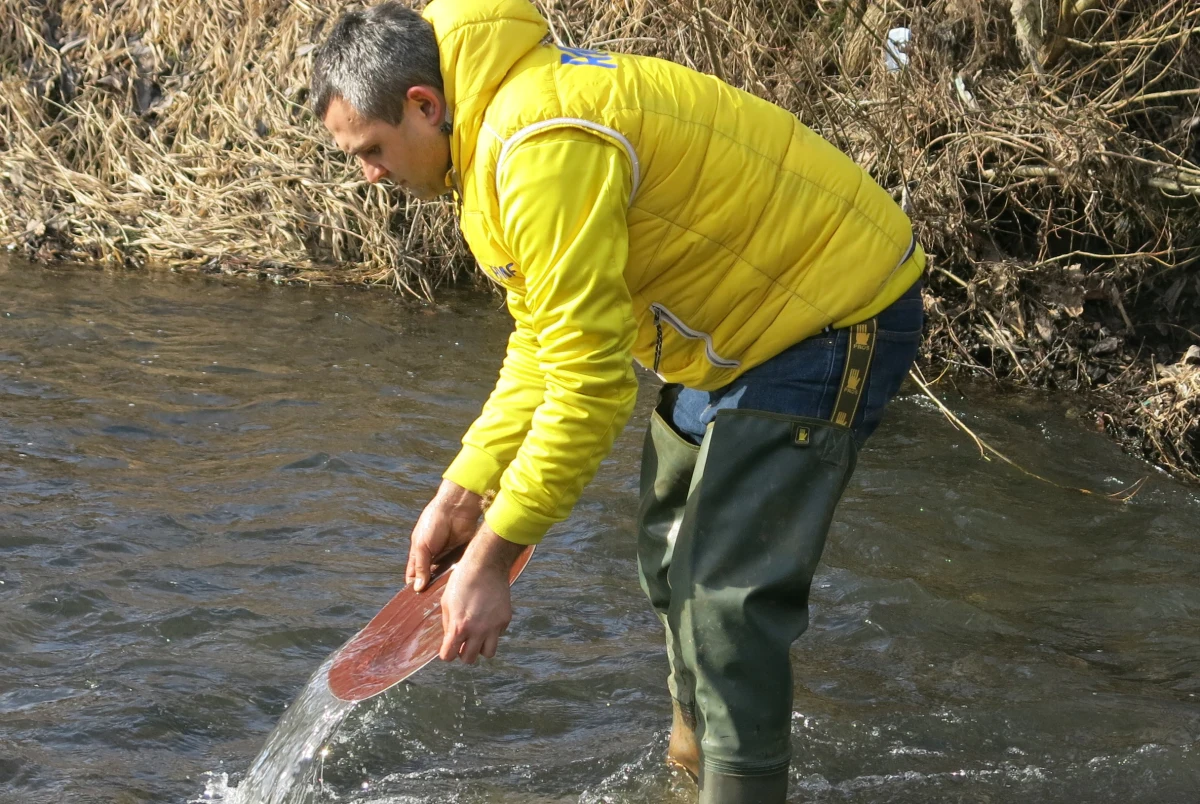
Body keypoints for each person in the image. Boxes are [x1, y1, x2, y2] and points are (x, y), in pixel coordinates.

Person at [310, 0, 924, 800]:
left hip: (832, 310)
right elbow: (543, 341)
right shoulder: (491, 134)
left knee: (723, 601)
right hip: (739, 328)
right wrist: (462, 491)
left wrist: (492, 559)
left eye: (371, 150)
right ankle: (691, 774)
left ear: (424, 104)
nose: (369, 175)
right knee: (670, 561)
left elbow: (592, 389)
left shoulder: (538, 147)